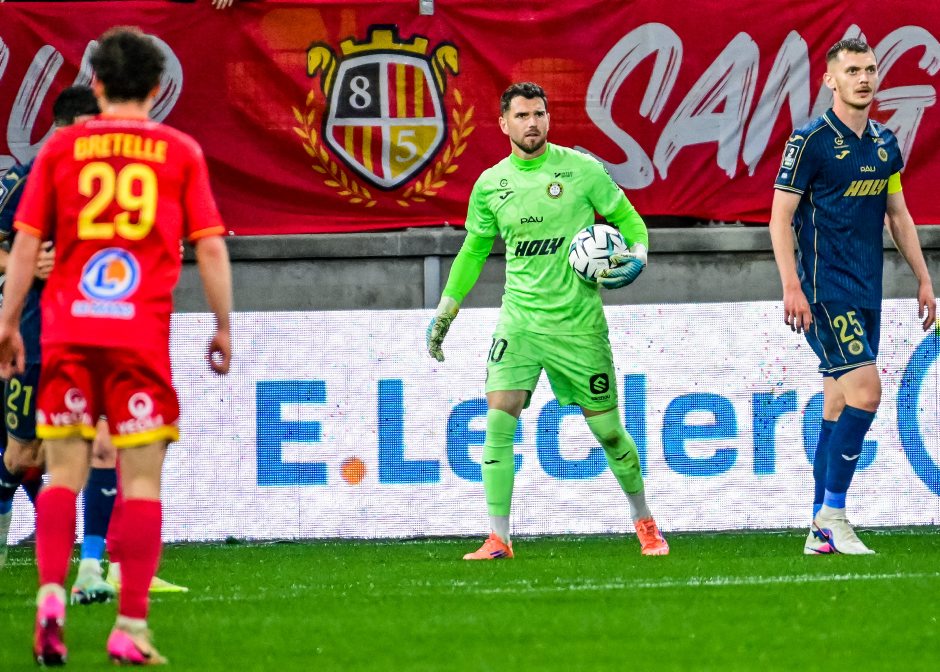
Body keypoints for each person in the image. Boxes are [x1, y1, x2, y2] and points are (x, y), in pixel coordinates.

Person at [0, 26, 232, 666]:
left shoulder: (60, 151)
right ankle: (128, 626)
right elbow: (210, 245)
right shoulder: (179, 151)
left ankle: (51, 602)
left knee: (61, 475)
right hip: (138, 339)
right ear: (157, 89)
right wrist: (222, 324)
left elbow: (25, 243)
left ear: (96, 84)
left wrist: (8, 323)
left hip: (68, 333)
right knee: (142, 483)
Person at [426, 82, 669, 560]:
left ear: (548, 119)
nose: (531, 123)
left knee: (609, 433)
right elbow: (473, 251)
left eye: (538, 114)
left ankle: (645, 522)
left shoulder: (581, 170)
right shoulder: (490, 185)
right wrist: (446, 309)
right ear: (504, 124)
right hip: (519, 324)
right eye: (521, 116)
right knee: (499, 421)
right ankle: (499, 538)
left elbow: (629, 220)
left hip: (579, 326)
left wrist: (637, 256)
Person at [769, 38, 936, 555]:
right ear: (830, 80)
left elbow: (898, 215)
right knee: (867, 392)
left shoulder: (885, 143)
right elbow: (779, 218)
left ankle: (818, 528)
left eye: (870, 69)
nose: (864, 78)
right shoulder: (809, 141)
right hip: (824, 290)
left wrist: (924, 278)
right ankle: (833, 517)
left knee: (838, 402)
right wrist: (791, 285)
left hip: (867, 290)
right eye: (852, 71)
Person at [0, 86, 100, 570]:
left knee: (92, 447)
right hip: (34, 333)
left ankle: (97, 561)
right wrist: (22, 263)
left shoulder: (101, 184)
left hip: (88, 332)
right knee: (23, 454)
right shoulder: (24, 179)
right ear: (64, 130)